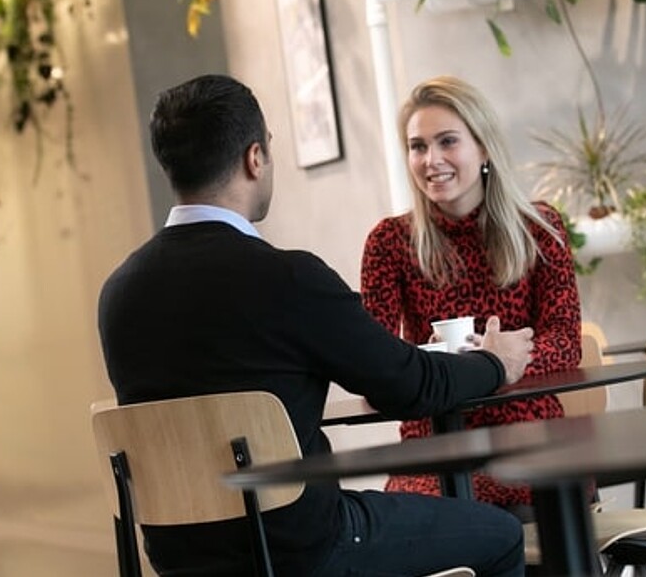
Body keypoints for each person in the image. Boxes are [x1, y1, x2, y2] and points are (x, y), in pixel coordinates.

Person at [98, 74, 533, 577]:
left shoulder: (118, 294)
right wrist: (494, 362)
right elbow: (409, 386)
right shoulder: (288, 279)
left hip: (179, 557)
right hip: (301, 547)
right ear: (254, 157)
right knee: (499, 537)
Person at [361, 75, 583, 518]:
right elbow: (374, 369)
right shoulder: (389, 243)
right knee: (402, 520)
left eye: (447, 142)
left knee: (511, 506)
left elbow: (566, 342)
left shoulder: (538, 228)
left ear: (483, 148)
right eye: (418, 146)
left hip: (530, 436)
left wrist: (499, 361)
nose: (431, 160)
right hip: (435, 448)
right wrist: (481, 364)